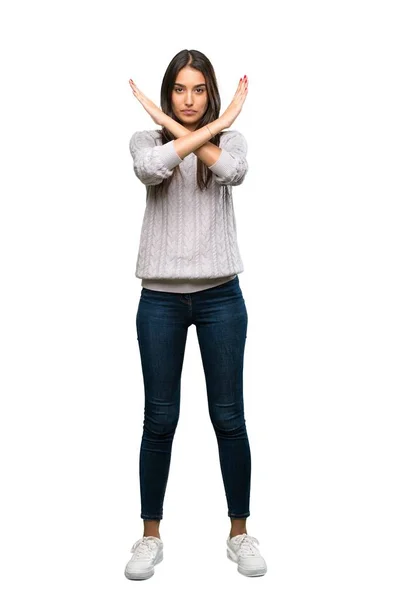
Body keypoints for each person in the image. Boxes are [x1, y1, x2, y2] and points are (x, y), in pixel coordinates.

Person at [124, 49, 267, 579]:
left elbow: (231, 173)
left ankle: (240, 533)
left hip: (221, 299)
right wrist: (169, 126)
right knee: (159, 420)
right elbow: (152, 169)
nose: (188, 100)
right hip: (159, 300)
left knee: (229, 418)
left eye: (199, 91)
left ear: (210, 92)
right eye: (179, 91)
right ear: (169, 95)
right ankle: (149, 536)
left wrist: (222, 128)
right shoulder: (146, 139)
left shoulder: (230, 141)